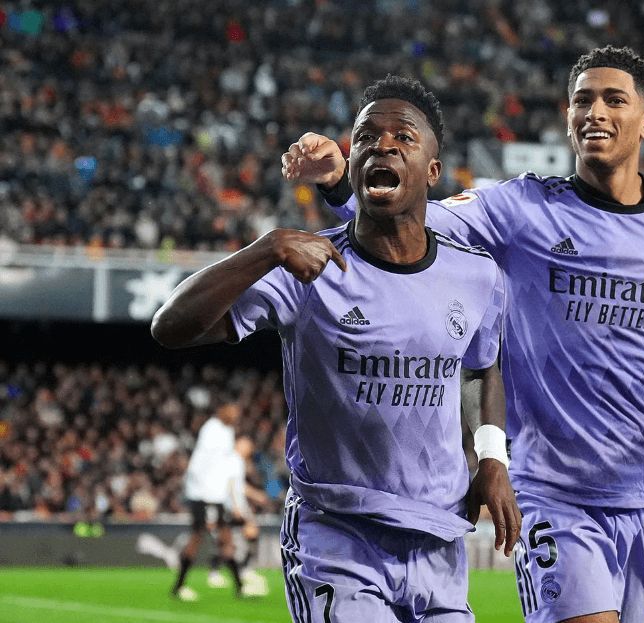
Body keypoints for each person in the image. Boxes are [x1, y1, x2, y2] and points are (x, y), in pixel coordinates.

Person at [283, 46, 644, 623]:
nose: (594, 112)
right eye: (582, 100)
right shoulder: (521, 207)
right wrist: (338, 183)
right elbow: (409, 217)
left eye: (614, 100)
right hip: (550, 492)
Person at [152, 75, 520, 623]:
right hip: (337, 536)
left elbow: (479, 368)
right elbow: (170, 326)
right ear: (351, 166)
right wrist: (267, 248)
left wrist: (492, 457)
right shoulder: (307, 266)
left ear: (433, 173)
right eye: (367, 137)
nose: (383, 145)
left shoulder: (476, 275)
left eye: (403, 137)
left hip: (438, 538)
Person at [171, 402, 244, 601]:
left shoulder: (226, 431)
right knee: (198, 537)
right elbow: (199, 463)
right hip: (203, 494)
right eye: (232, 411)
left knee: (225, 537)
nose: (235, 416)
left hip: (216, 495)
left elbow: (221, 467)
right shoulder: (212, 429)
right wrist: (204, 493)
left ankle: (240, 586)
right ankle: (179, 586)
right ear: (222, 410)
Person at [207, 435, 270, 596]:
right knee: (233, 539)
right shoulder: (234, 461)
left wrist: (255, 496)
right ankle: (242, 571)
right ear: (238, 445)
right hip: (232, 506)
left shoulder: (235, 461)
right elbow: (233, 485)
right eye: (245, 445)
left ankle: (222, 573)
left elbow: (238, 485)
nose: (248, 449)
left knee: (229, 541)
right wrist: (236, 506)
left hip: (230, 505)